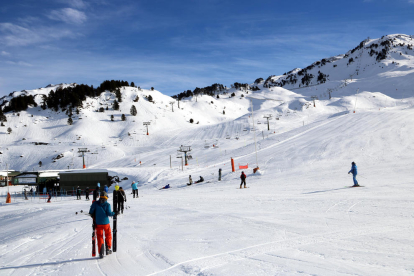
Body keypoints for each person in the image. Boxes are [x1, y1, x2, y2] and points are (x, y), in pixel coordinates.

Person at [89, 191, 115, 258]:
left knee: (99, 237)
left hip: (98, 223)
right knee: (108, 235)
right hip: (106, 223)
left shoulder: (95, 203)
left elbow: (91, 212)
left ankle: (101, 252)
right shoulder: (107, 205)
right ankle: (108, 249)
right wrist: (114, 213)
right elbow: (109, 213)